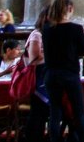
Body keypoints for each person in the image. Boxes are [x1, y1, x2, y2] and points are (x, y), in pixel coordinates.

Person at [43, 0, 84, 142]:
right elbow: (81, 51)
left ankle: (54, 139)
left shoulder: (47, 29)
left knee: (55, 111)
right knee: (79, 112)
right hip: (69, 73)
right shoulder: (76, 29)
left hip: (51, 73)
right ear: (70, 9)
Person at [24, 7, 50, 142]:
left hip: (45, 75)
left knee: (42, 113)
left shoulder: (47, 34)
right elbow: (34, 58)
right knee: (37, 113)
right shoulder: (37, 35)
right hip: (37, 77)